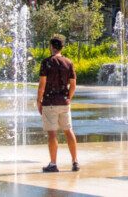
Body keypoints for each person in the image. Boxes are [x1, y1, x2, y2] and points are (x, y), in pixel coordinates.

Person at [37, 34, 78, 173]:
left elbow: (42, 84)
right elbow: (73, 84)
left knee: (52, 133)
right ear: (62, 47)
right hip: (64, 102)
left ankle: (53, 163)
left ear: (51, 47)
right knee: (68, 130)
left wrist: (39, 101)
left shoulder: (46, 62)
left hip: (50, 102)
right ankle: (75, 161)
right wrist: (69, 98)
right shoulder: (69, 62)